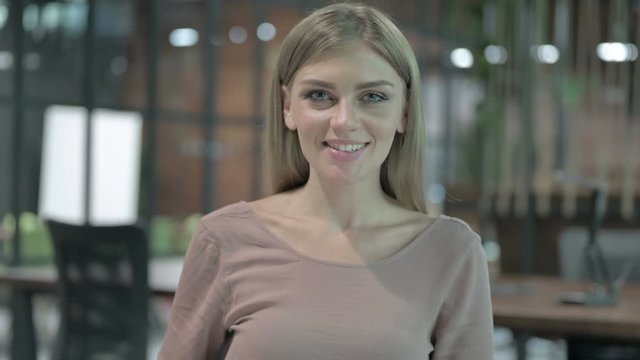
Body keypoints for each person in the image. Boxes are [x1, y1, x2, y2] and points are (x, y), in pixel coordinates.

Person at [158, 3, 493, 359]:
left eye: (373, 97)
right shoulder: (223, 240)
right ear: (288, 107)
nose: (345, 121)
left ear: (405, 113)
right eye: (320, 95)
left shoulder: (452, 253)